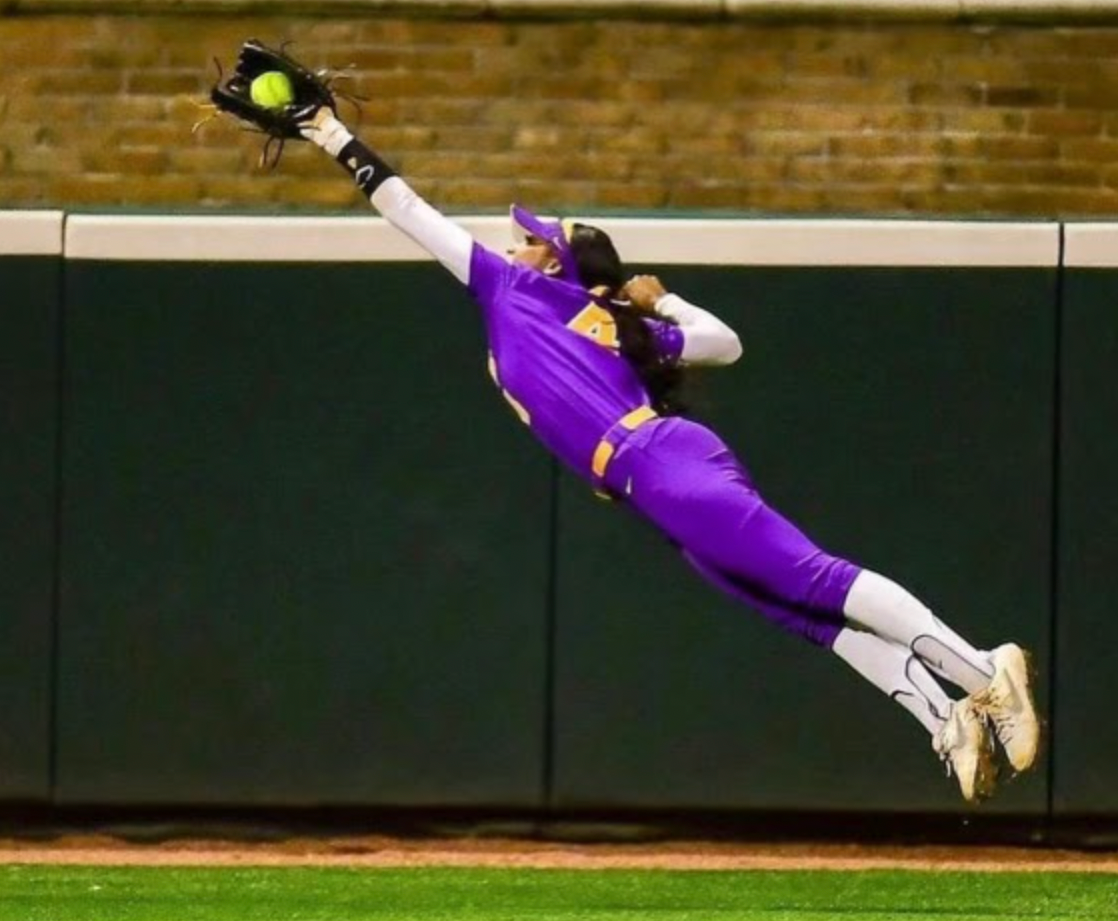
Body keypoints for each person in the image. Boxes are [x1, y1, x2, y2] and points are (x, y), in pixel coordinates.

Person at [296, 104, 1040, 804]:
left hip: (659, 459)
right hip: (654, 478)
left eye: (532, 238)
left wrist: (329, 132)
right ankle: (946, 721)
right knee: (799, 611)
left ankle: (982, 670)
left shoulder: (516, 289)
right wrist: (658, 306)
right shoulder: (590, 321)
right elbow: (724, 342)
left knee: (812, 577)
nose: (513, 243)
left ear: (553, 264)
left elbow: (407, 209)